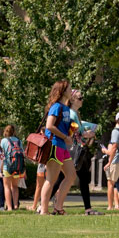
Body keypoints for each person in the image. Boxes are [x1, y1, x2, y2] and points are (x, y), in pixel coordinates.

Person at [61, 88, 102, 215]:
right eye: (80, 98)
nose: (82, 100)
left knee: (83, 178)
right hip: (73, 150)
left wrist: (86, 133)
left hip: (78, 150)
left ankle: (88, 208)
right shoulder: (71, 114)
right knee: (61, 178)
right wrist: (86, 133)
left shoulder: (75, 114)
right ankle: (42, 206)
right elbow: (73, 132)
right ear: (72, 99)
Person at [38, 79, 76, 215]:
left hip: (63, 146)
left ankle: (58, 207)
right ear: (62, 91)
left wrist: (70, 133)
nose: (71, 90)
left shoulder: (66, 108)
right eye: (69, 88)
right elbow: (49, 126)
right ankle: (43, 210)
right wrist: (65, 137)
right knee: (51, 179)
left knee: (71, 175)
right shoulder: (56, 107)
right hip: (54, 145)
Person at [0, 125, 25, 211]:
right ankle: (15, 206)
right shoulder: (18, 141)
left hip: (8, 166)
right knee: (15, 186)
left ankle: (9, 207)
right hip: (18, 166)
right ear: (14, 131)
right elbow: (22, 153)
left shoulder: (3, 141)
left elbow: (1, 154)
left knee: (7, 187)